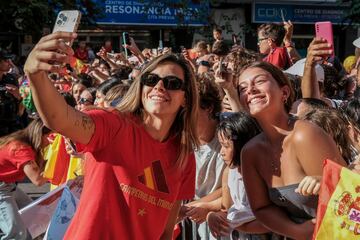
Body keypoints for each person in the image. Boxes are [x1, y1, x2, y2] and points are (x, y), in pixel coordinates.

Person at [24, 31, 199, 240]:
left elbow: (165, 231)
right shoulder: (114, 124)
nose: (159, 87)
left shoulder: (183, 156)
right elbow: (59, 119)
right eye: (151, 80)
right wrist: (35, 74)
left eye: (172, 83)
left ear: (186, 99)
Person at [234, 61, 347, 239]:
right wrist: (296, 231)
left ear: (284, 92)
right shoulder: (250, 152)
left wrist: (325, 182)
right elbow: (261, 208)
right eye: (242, 88)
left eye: (259, 81)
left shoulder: (304, 134)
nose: (250, 89)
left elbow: (348, 191)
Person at [207, 112, 269, 240]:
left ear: (243, 145)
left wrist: (238, 226)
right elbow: (226, 209)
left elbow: (270, 223)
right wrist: (212, 216)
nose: (221, 152)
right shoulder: (228, 173)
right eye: (221, 145)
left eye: (226, 146)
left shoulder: (264, 175)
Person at [0, 118, 50, 240]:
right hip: (2, 188)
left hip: (8, 185)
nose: (50, 142)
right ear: (40, 134)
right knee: (16, 233)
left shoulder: (27, 143)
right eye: (50, 137)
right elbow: (37, 179)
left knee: (34, 215)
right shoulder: (21, 149)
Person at [0, 50, 23, 136]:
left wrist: (18, 95)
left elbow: (21, 107)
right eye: (6, 61)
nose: (10, 63)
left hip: (12, 126)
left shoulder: (11, 79)